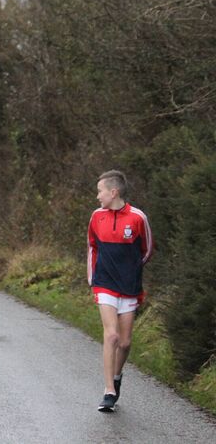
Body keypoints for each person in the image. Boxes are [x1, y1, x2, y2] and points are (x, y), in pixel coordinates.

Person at [87, 170, 153, 412]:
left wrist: (132, 271)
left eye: (100, 191)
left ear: (113, 192)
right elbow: (92, 247)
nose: (97, 196)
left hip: (129, 287)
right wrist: (93, 279)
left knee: (124, 343)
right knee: (111, 336)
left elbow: (146, 250)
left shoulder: (138, 218)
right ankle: (108, 391)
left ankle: (117, 376)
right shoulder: (96, 217)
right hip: (105, 283)